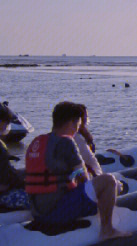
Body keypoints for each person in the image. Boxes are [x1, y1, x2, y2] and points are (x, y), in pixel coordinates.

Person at [24, 101, 126, 238]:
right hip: (57, 211)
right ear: (72, 122)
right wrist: (110, 190)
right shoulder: (66, 142)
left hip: (37, 211)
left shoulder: (37, 141)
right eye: (78, 125)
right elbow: (83, 179)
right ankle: (107, 230)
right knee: (108, 181)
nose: (78, 129)